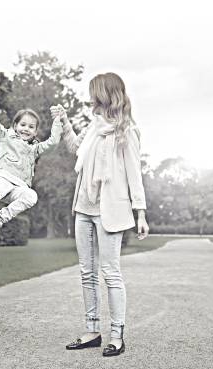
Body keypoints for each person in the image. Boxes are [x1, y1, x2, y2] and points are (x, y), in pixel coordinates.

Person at [50, 72, 149, 357]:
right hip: (83, 207)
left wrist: (140, 213)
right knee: (86, 273)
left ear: (106, 95)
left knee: (110, 273)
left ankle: (117, 335)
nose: (90, 98)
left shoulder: (127, 131)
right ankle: (92, 330)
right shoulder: (93, 127)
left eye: (94, 93)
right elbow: (75, 149)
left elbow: (134, 174)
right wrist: (66, 123)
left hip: (111, 210)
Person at [0, 86, 63, 244]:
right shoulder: (6, 136)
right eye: (23, 125)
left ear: (35, 132)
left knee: (31, 196)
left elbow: (54, 142)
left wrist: (57, 120)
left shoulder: (34, 149)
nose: (26, 129)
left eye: (31, 127)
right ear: (15, 126)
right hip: (1, 176)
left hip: (18, 186)